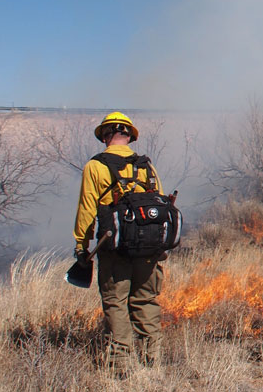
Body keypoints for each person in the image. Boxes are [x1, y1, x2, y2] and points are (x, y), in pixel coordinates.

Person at [73, 111, 165, 373]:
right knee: (145, 299)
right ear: (128, 135)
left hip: (113, 248)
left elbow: (87, 209)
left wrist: (82, 244)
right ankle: (152, 361)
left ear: (106, 134)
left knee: (116, 302)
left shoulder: (96, 166)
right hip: (148, 248)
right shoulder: (147, 165)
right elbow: (158, 206)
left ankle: (121, 366)